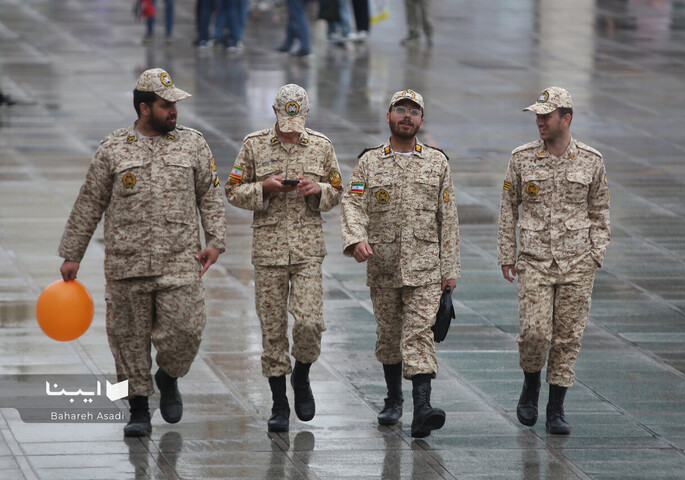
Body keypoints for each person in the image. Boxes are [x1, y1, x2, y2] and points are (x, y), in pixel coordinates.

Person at [57, 68, 226, 438]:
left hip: (180, 260)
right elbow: (89, 203)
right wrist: (73, 253)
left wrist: (214, 241)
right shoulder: (113, 149)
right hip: (126, 263)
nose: (174, 112)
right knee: (128, 340)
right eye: (167, 105)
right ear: (145, 108)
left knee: (187, 331)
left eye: (175, 105)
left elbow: (210, 195)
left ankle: (168, 376)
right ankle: (138, 409)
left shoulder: (193, 144)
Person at [341, 89, 460, 438]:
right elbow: (353, 205)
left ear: (422, 121)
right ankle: (394, 399)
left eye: (414, 111)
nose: (407, 116)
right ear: (389, 116)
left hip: (425, 268)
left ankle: (422, 407)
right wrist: (356, 240)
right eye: (401, 110)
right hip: (383, 266)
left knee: (420, 334)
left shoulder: (437, 163)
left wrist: (450, 272)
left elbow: (448, 219)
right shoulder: (369, 162)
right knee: (390, 336)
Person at [224, 84, 343, 432]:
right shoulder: (254, 144)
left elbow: (339, 190)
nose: (291, 129)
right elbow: (232, 190)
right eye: (285, 119)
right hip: (269, 250)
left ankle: (302, 373)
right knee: (272, 328)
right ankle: (278, 402)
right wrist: (265, 188)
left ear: (306, 115)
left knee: (309, 322)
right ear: (275, 112)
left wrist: (318, 190)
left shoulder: (321, 146)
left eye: (297, 121)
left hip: (307, 249)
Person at [497, 87, 610, 435]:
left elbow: (601, 209)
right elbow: (507, 207)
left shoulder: (591, 160)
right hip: (534, 259)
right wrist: (507, 254)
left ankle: (556, 406)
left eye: (546, 116)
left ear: (566, 119)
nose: (539, 121)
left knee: (567, 337)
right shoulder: (522, 158)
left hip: (577, 262)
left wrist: (596, 253)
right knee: (534, 332)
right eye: (537, 116)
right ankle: (531, 384)